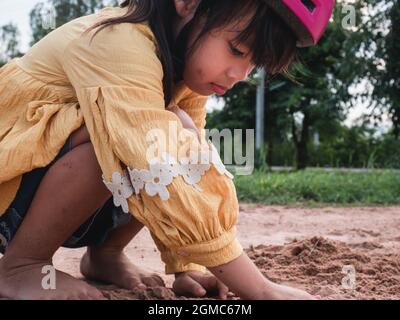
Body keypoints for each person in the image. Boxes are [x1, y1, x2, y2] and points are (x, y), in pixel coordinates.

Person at [0, 0, 334, 300]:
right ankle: (21, 265)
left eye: (254, 63)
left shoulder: (184, 71)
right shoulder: (120, 40)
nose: (239, 74)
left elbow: (188, 171)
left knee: (176, 135)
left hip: (43, 185)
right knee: (131, 140)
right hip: (10, 178)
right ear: (188, 4)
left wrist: (184, 265)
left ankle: (105, 254)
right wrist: (259, 289)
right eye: (236, 48)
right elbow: (157, 159)